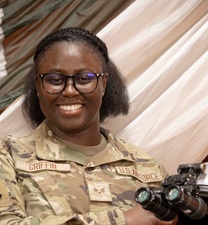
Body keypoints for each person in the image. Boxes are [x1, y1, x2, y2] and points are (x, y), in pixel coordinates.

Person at [0, 27, 178, 225]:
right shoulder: (9, 157)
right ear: (38, 86)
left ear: (103, 83)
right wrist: (123, 220)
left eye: (84, 79)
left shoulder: (147, 168)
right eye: (54, 80)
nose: (69, 91)